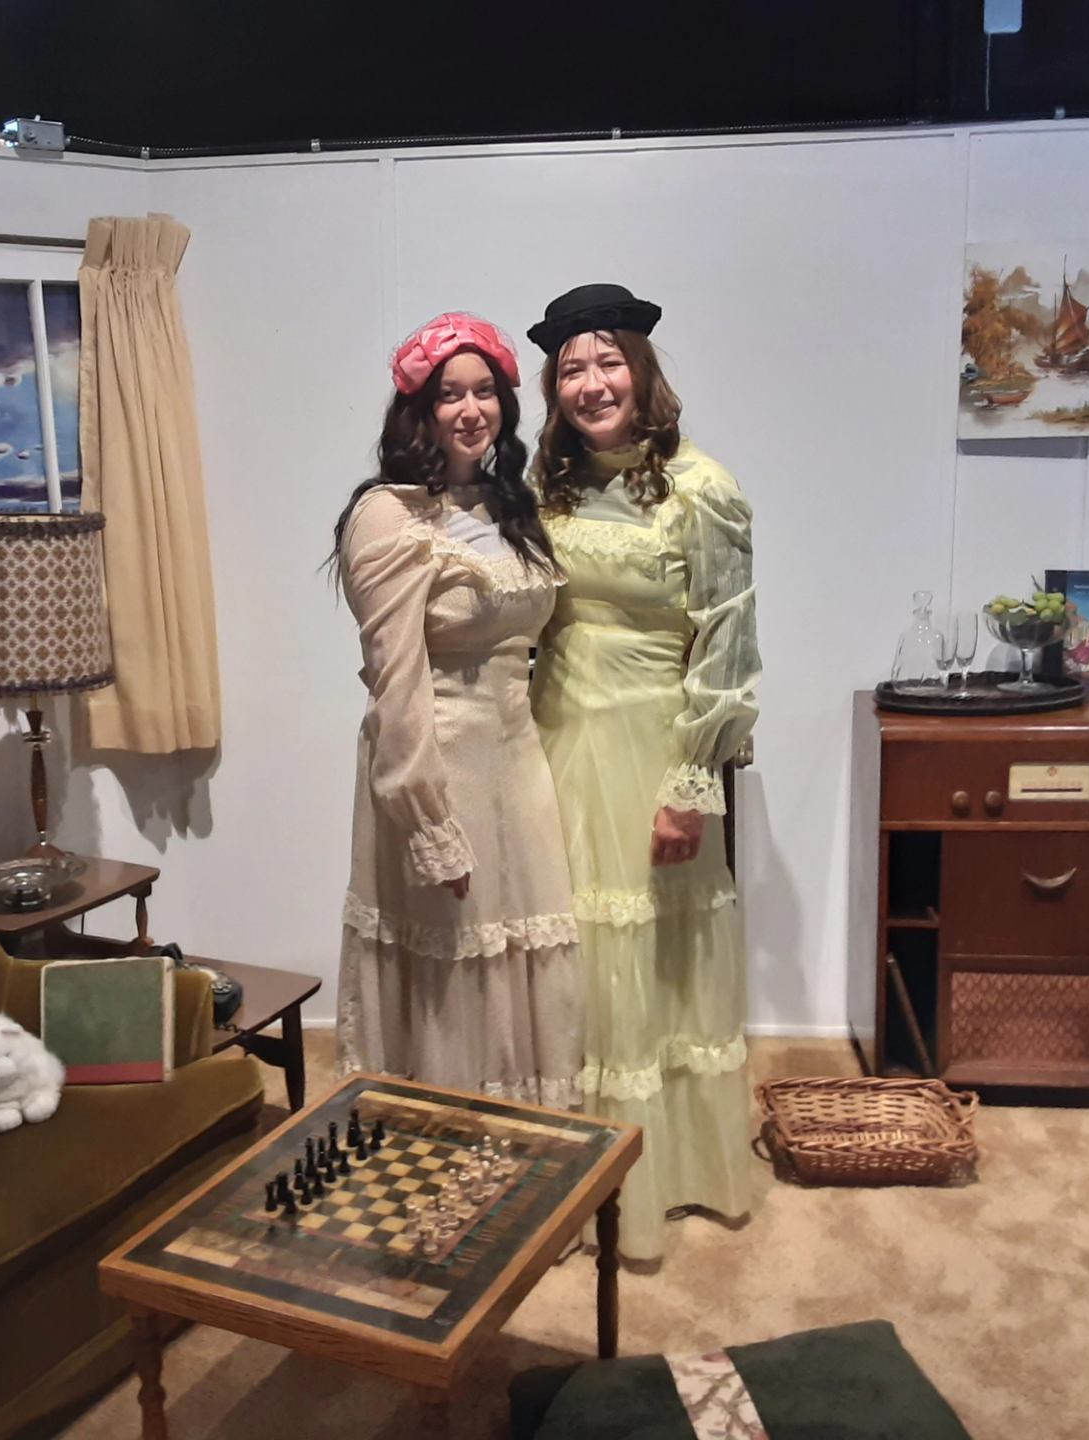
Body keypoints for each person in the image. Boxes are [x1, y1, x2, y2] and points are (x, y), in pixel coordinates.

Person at [527, 283, 762, 1262]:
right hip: (552, 741)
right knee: (569, 953)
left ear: (643, 370)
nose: (592, 385)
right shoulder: (548, 484)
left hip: (646, 744)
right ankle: (566, 1174)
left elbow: (727, 645)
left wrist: (689, 785)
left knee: (647, 961)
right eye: (572, 370)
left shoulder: (702, 487)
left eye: (607, 362)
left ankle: (659, 1180)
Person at [332, 313, 581, 1105]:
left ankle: (529, 1150)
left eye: (486, 392)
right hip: (438, 766)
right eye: (450, 395)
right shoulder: (388, 516)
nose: (472, 410)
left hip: (519, 759)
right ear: (419, 410)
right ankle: (450, 1154)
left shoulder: (511, 506)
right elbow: (394, 681)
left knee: (529, 946)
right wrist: (427, 823)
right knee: (454, 964)